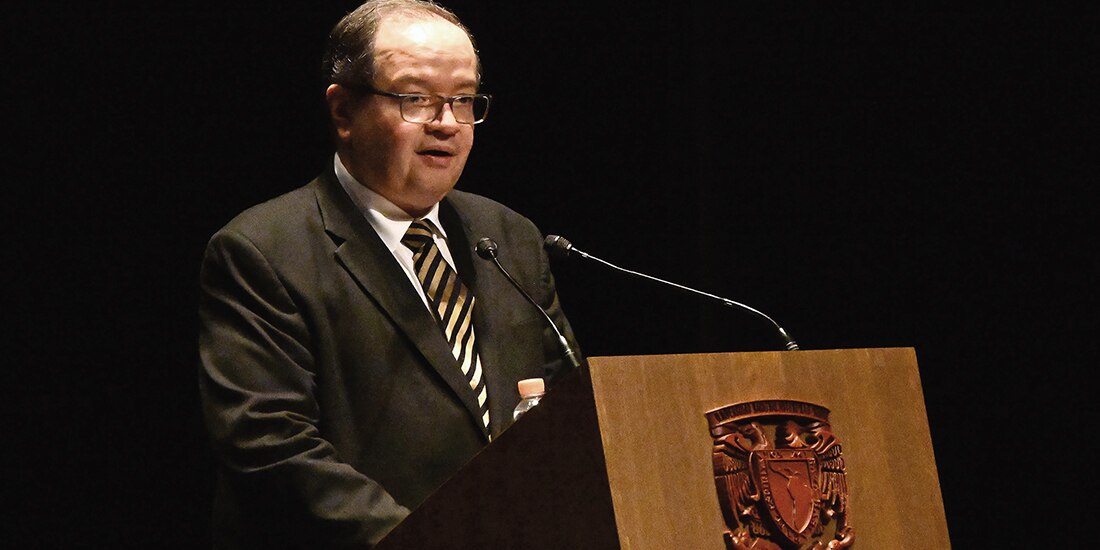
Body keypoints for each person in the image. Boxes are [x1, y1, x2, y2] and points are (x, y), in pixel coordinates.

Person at [196, 1, 581, 548]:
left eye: (463, 100)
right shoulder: (262, 251)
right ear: (344, 112)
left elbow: (571, 410)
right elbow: (270, 447)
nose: (447, 123)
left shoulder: (509, 237)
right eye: (416, 99)